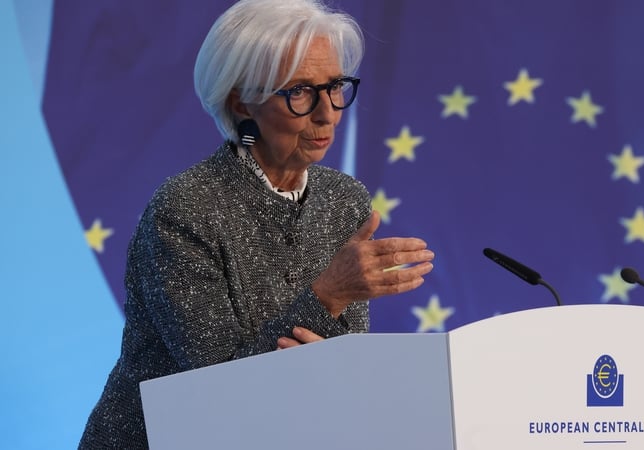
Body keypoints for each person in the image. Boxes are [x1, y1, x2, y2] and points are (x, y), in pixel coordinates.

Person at [78, 0, 435, 447]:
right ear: (241, 101)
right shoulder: (184, 209)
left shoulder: (346, 201)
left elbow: (339, 363)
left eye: (335, 87)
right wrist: (330, 294)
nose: (328, 113)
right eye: (301, 91)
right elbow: (223, 389)